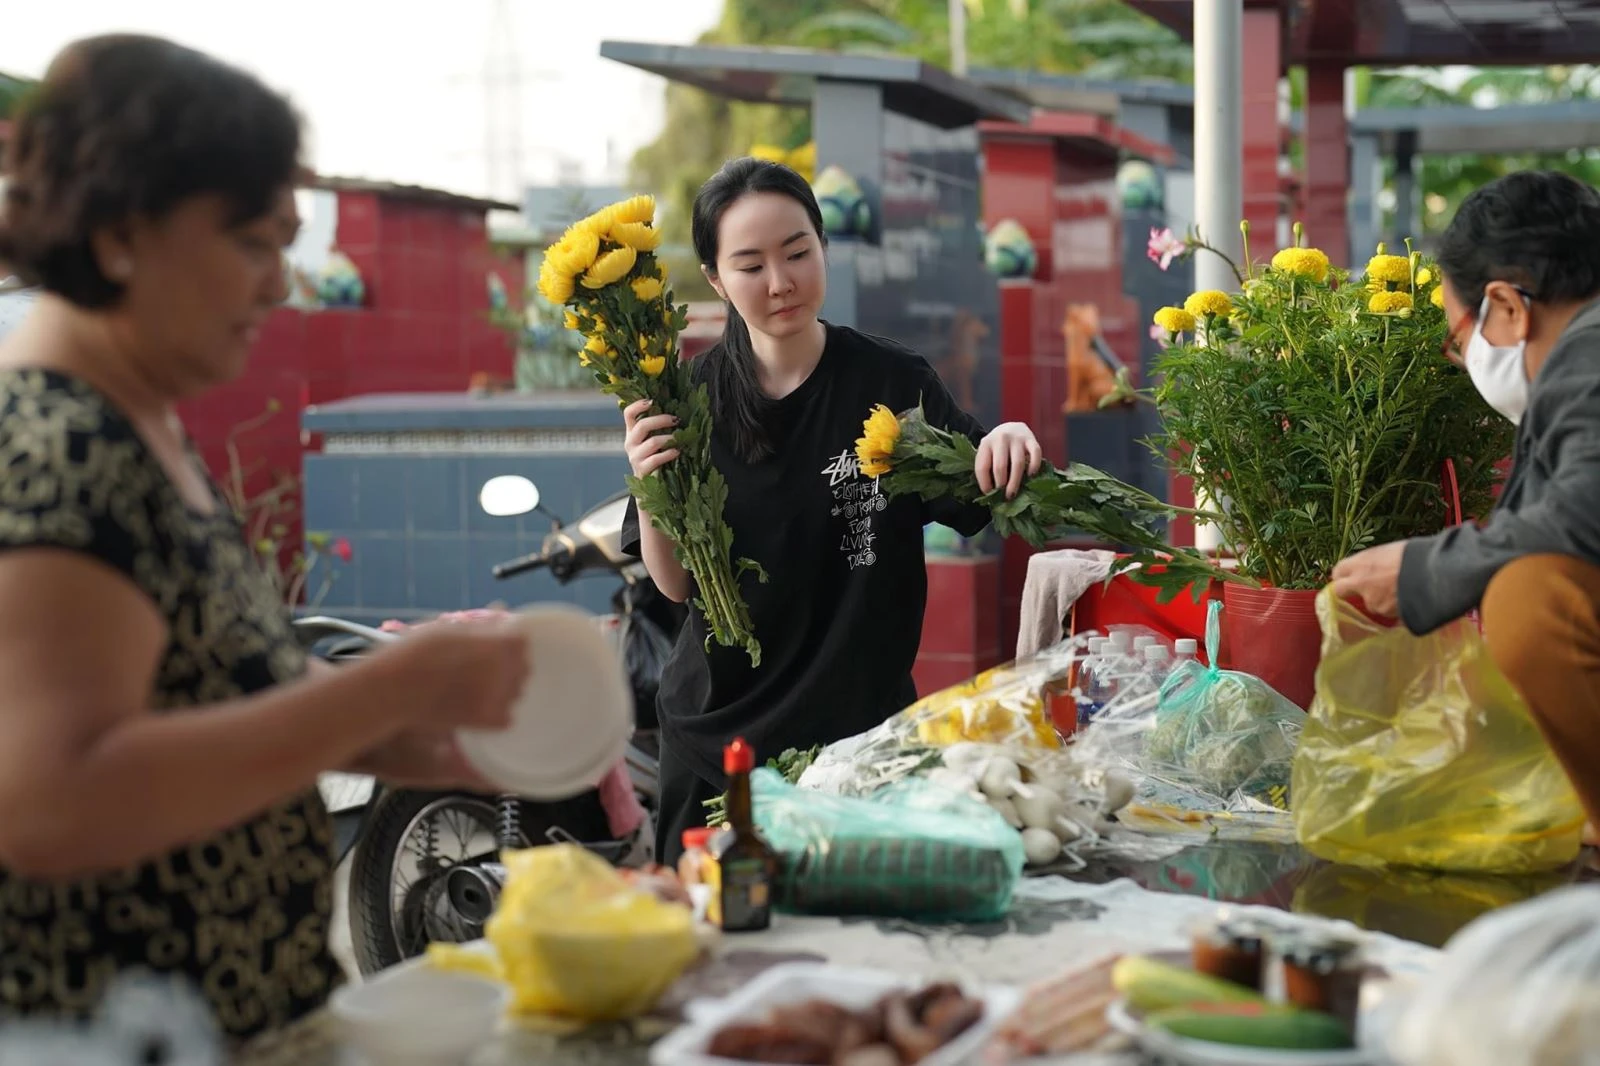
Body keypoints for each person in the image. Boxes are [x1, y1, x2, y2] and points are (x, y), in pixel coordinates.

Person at [0, 35, 530, 1043]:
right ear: (120, 234)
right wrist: (387, 691)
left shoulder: (139, 425)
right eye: (251, 243)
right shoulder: (50, 445)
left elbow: (209, 691)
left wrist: (403, 731)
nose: (281, 285)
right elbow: (50, 801)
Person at [620, 157, 1043, 865]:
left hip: (863, 751)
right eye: (750, 265)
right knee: (714, 933)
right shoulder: (688, 403)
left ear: (824, 246)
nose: (780, 282)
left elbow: (981, 481)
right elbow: (676, 586)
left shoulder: (892, 381)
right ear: (716, 279)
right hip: (719, 751)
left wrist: (1008, 438)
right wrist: (649, 483)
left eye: (797, 253)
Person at [1331, 170, 1600, 836]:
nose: (1465, 359)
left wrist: (1426, 571)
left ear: (1505, 305)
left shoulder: (1587, 357)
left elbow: (1581, 513)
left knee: (1530, 597)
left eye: (1458, 339)